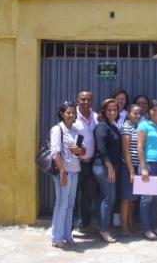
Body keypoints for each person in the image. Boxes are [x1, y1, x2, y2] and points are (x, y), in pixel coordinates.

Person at [50, 101, 85, 248]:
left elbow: (82, 152)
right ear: (62, 114)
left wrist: (80, 151)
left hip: (74, 171)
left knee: (70, 205)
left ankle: (67, 235)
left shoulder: (75, 130)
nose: (71, 115)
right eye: (68, 112)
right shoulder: (58, 129)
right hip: (63, 173)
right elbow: (55, 152)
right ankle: (57, 238)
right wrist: (62, 172)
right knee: (61, 205)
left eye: (73, 113)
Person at [92, 98, 122, 243]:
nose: (112, 112)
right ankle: (104, 230)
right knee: (109, 197)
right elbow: (101, 149)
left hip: (110, 166)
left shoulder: (113, 126)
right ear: (103, 111)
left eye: (115, 110)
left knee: (105, 197)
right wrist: (110, 167)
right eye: (109, 109)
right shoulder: (102, 126)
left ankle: (101, 226)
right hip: (103, 166)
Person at [137, 99, 157, 240]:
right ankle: (146, 229)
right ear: (149, 111)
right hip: (148, 164)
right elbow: (140, 147)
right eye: (153, 109)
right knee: (146, 199)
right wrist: (143, 168)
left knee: (156, 199)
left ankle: (154, 227)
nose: (156, 112)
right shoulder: (144, 125)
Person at [73, 91, 98, 232]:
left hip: (92, 163)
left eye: (89, 99)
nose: (86, 102)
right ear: (78, 100)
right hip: (77, 163)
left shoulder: (96, 117)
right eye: (83, 99)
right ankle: (68, 225)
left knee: (88, 195)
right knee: (73, 195)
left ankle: (84, 222)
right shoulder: (73, 117)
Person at [119, 104, 141, 236]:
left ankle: (130, 224)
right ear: (128, 114)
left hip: (137, 166)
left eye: (139, 113)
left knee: (132, 198)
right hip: (128, 167)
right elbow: (126, 151)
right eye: (135, 113)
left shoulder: (137, 127)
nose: (137, 116)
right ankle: (124, 227)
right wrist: (131, 171)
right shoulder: (126, 127)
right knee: (126, 198)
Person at [110, 88, 130, 227]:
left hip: (124, 159)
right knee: (108, 189)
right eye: (118, 98)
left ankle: (118, 216)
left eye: (123, 99)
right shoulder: (107, 115)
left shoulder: (128, 115)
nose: (120, 101)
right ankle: (107, 217)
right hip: (110, 158)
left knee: (120, 189)